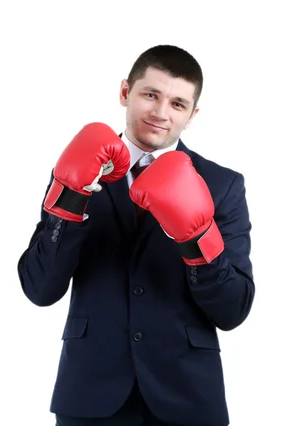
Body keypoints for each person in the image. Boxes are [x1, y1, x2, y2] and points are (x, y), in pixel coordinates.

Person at [17, 45, 254, 426]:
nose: (161, 113)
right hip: (90, 394)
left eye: (178, 104)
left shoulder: (222, 184)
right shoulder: (79, 169)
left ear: (192, 115)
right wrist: (70, 200)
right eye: (150, 95)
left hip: (188, 395)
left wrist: (198, 240)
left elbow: (233, 309)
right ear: (125, 92)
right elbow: (39, 288)